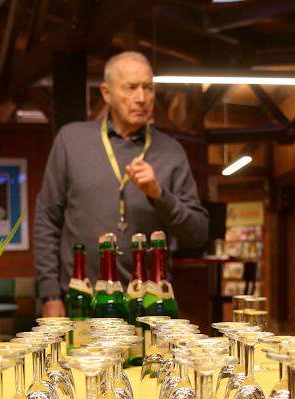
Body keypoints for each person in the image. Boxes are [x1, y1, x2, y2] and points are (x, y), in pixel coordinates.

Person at [33, 51, 209, 317]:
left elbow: (197, 234)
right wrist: (49, 295)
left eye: (148, 88)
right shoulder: (71, 142)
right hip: (82, 302)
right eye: (131, 87)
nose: (142, 98)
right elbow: (47, 220)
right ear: (106, 93)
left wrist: (160, 195)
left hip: (149, 305)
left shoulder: (171, 152)